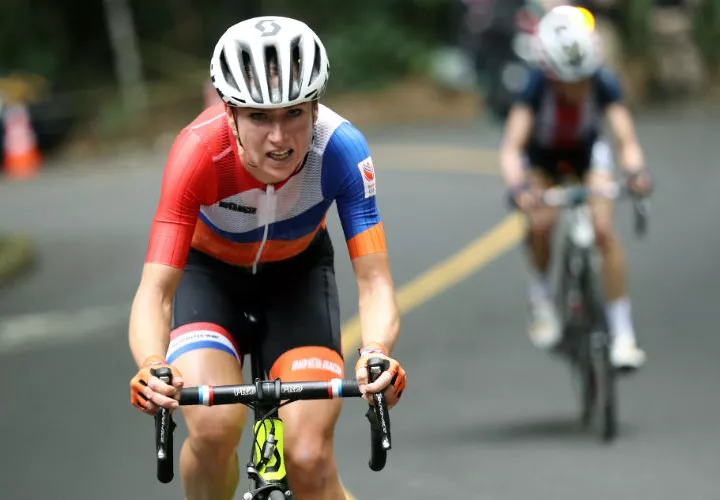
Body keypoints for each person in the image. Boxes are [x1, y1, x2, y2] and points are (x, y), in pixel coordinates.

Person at [128, 16, 407, 500]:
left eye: (294, 113)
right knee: (214, 428)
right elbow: (156, 291)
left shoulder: (341, 149)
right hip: (209, 277)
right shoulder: (197, 152)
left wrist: (376, 351)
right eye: (259, 117)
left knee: (309, 458)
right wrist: (152, 364)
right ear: (230, 113)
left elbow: (375, 281)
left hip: (297, 277)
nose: (279, 137)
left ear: (315, 108)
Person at [499, 5, 652, 369]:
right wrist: (519, 187)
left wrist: (634, 171)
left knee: (604, 232)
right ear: (551, 74)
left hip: (586, 153)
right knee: (541, 223)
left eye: (584, 78)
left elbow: (625, 138)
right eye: (569, 81)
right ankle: (540, 298)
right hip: (543, 158)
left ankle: (623, 333)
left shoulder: (602, 81)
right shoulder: (536, 86)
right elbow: (512, 147)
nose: (579, 87)